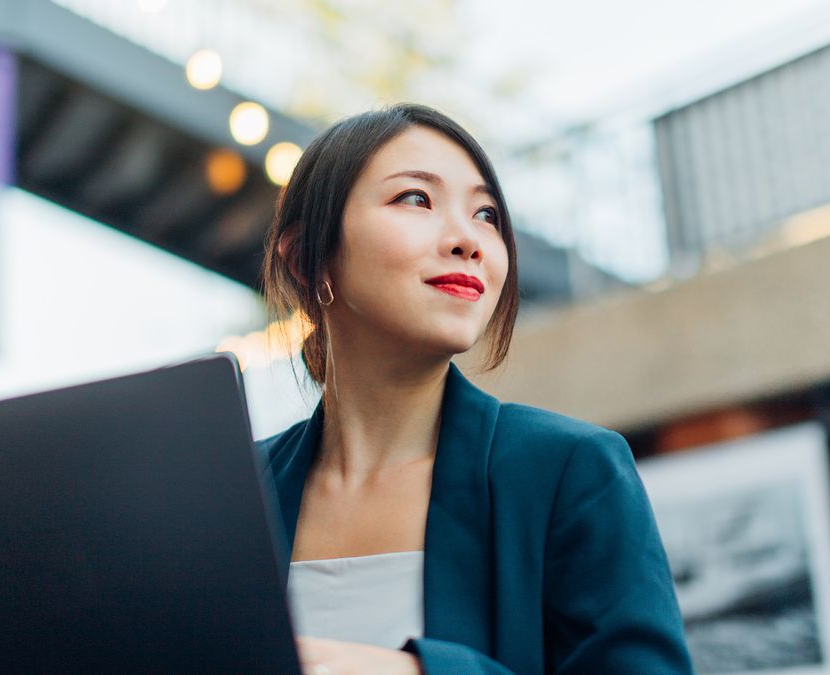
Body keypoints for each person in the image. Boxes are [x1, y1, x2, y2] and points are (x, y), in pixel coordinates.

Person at [258, 103, 692, 675]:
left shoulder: (570, 469)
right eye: (415, 198)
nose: (468, 239)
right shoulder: (240, 492)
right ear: (306, 259)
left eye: (486, 213)